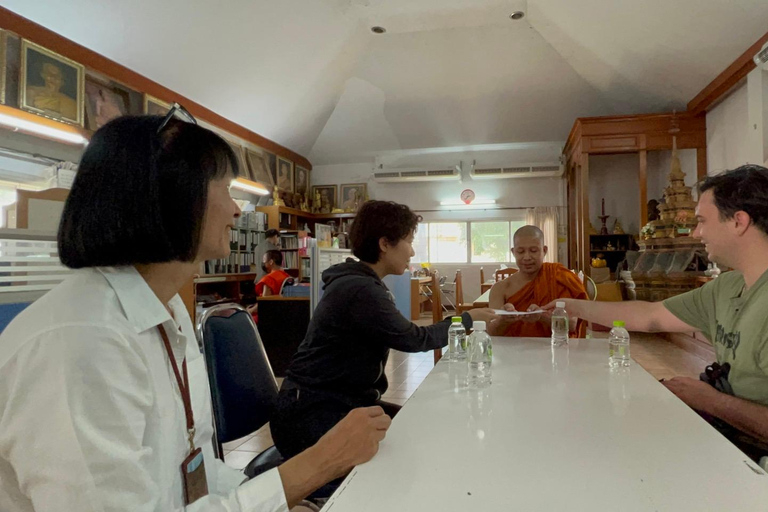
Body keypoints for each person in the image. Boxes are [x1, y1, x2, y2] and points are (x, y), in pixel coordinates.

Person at [0, 113, 390, 511]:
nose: (237, 210)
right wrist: (315, 465)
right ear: (173, 197)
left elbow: (195, 473)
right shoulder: (82, 341)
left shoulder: (165, 310)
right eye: (224, 188)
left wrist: (275, 503)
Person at [544, 164, 768, 462]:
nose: (695, 232)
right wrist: (571, 306)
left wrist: (713, 402)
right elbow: (650, 316)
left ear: (739, 221)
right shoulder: (728, 286)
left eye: (701, 221)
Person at [270, 200, 499, 464]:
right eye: (409, 241)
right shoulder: (360, 289)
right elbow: (415, 338)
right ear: (384, 244)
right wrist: (467, 319)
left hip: (335, 402)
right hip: (310, 413)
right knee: (409, 447)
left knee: (417, 429)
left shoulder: (361, 283)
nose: (412, 252)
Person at [487, 225, 587, 337]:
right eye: (520, 251)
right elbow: (492, 332)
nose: (527, 257)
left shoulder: (559, 277)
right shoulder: (500, 288)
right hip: (514, 352)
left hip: (554, 349)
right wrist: (503, 320)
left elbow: (572, 324)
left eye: (533, 251)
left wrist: (542, 316)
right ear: (513, 252)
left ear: (544, 251)